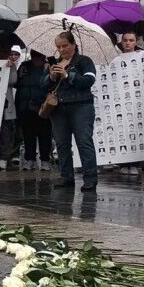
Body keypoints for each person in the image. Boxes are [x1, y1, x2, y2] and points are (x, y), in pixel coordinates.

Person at [44, 31, 97, 191]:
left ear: (74, 44)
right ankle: (66, 176)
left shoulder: (84, 61)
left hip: (81, 106)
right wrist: (51, 77)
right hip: (59, 108)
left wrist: (68, 75)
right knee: (61, 144)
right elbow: (42, 83)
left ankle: (90, 179)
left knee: (84, 142)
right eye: (58, 47)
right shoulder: (55, 63)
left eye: (65, 46)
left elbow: (89, 81)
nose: (62, 49)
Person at [15, 50, 52, 171]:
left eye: (39, 56)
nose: (36, 59)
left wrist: (48, 70)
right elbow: (17, 83)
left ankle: (45, 160)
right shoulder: (24, 66)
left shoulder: (50, 66)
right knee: (28, 135)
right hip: (26, 106)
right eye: (34, 56)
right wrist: (18, 75)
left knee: (45, 134)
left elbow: (51, 84)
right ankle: (29, 159)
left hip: (43, 106)